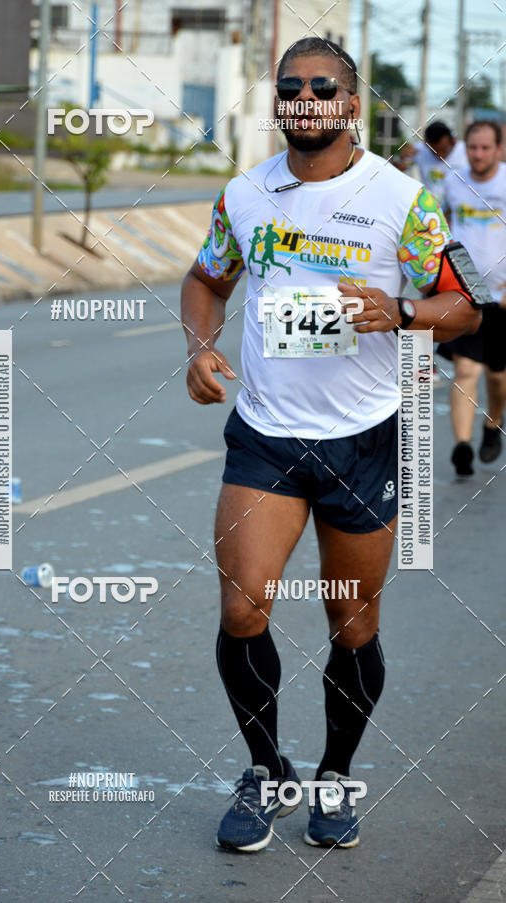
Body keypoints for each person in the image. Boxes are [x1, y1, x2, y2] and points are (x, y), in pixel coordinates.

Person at [180, 37, 480, 853]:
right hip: (267, 438)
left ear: (350, 103)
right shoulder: (246, 193)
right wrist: (199, 347)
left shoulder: (403, 200)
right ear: (278, 102)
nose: (305, 98)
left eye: (323, 87)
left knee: (352, 622)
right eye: (291, 88)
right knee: (243, 606)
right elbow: (208, 279)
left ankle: (336, 775)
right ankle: (266, 768)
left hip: (363, 442)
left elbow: (465, 307)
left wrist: (404, 313)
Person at [436, 120, 506, 475]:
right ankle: (462, 448)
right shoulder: (455, 181)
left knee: (497, 376)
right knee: (466, 369)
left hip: (503, 299)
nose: (478, 155)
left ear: (499, 149)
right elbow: (444, 224)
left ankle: (493, 424)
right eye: (473, 148)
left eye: (486, 148)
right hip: (465, 294)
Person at [396, 121, 468, 208]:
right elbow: (397, 170)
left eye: (443, 150)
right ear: (426, 144)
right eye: (434, 151)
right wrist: (401, 158)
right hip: (431, 208)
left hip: (459, 207)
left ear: (452, 142)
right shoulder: (419, 150)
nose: (439, 156)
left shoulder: (466, 150)